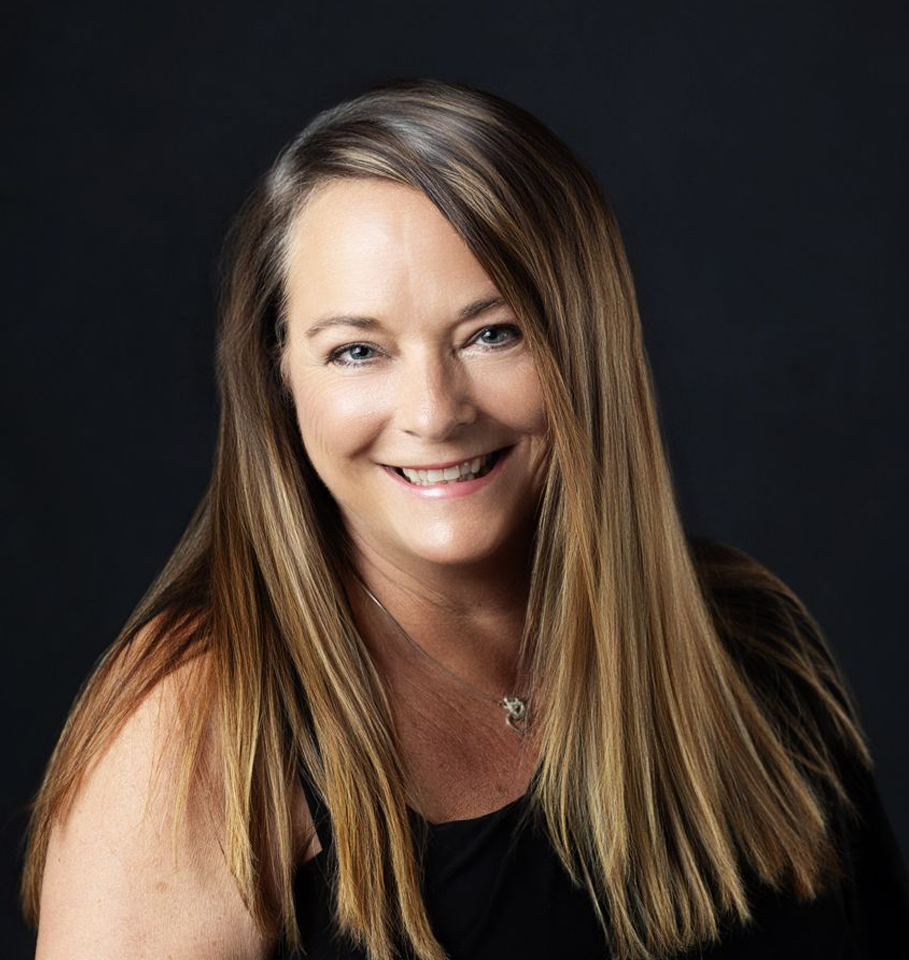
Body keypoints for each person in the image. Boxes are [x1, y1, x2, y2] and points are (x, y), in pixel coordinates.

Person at [21, 78, 909, 960]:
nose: (435, 412)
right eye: (357, 351)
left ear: (587, 341)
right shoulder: (201, 722)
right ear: (278, 379)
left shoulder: (752, 642)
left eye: (493, 333)